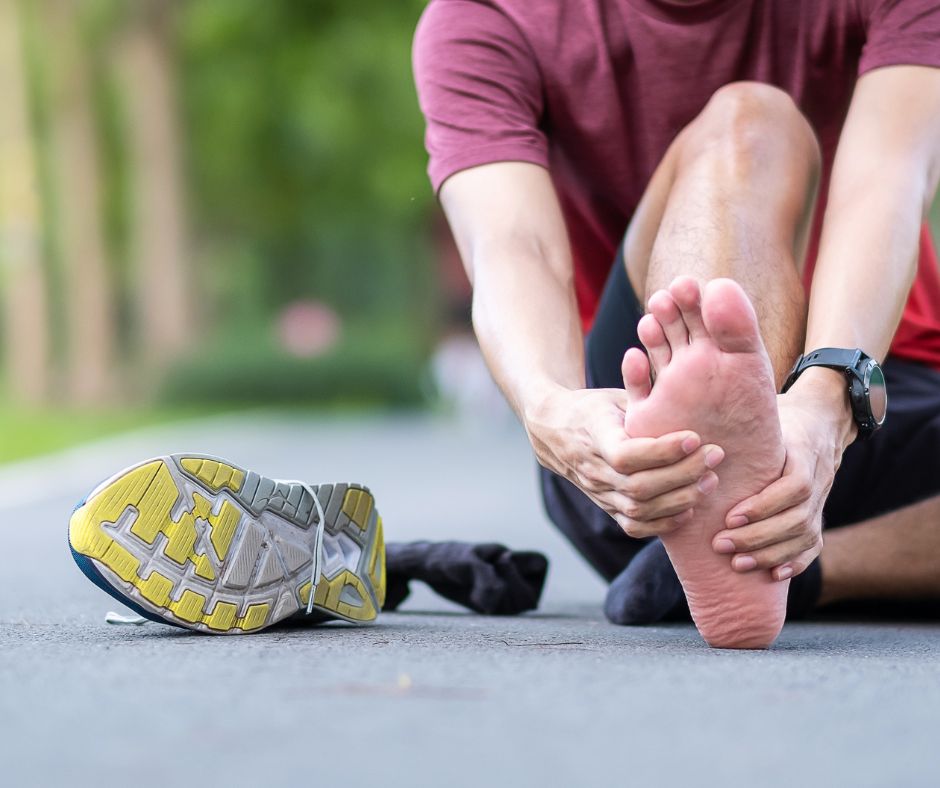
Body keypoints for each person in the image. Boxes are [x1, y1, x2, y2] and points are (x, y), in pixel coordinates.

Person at [413, 0, 940, 647]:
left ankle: (800, 568)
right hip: (643, 465)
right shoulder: (486, 17)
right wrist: (549, 405)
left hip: (870, 393)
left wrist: (825, 408)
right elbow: (515, 246)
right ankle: (720, 475)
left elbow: (885, 181)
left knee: (761, 121)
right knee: (752, 123)